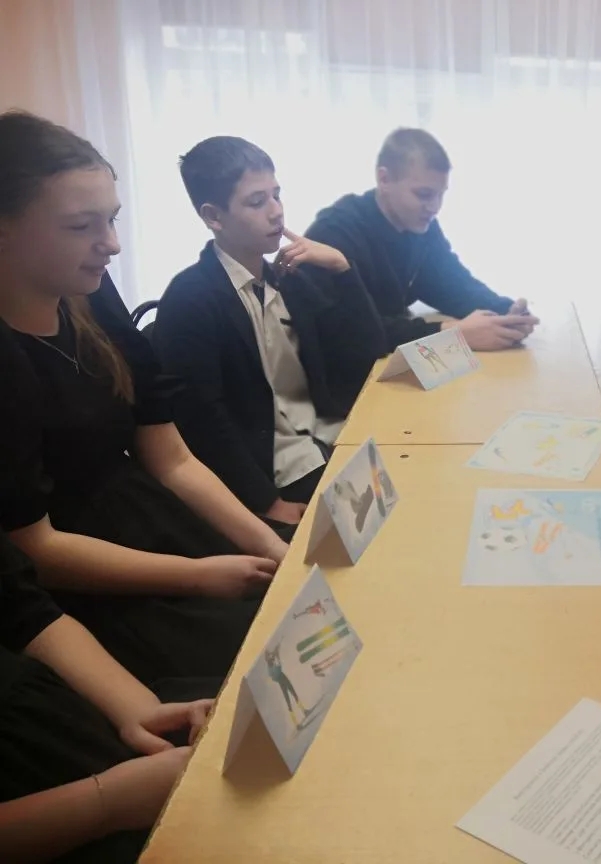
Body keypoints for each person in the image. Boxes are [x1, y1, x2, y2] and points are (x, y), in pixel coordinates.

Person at [0, 111, 287, 684]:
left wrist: (269, 545)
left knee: (301, 603)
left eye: (111, 219)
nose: (111, 244)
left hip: (155, 523)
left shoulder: (90, 291)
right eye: (81, 226)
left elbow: (172, 459)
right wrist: (196, 575)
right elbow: (37, 549)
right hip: (87, 578)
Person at [154, 136, 390, 524]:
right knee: (383, 523)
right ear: (213, 217)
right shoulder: (191, 299)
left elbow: (367, 352)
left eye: (277, 195)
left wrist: (342, 269)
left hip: (330, 438)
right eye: (257, 201)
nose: (276, 211)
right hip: (273, 473)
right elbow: (202, 420)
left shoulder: (289, 276)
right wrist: (265, 502)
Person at [0, 534, 216, 863]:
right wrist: (108, 803)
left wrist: (143, 715)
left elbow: (29, 617)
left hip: (75, 715)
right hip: (57, 819)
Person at [306, 128, 538, 351]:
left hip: (387, 358)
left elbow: (453, 285)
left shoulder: (419, 225)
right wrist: (451, 334)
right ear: (384, 179)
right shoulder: (335, 233)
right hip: (348, 369)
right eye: (424, 194)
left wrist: (506, 312)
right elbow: (350, 334)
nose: (435, 207)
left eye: (441, 194)